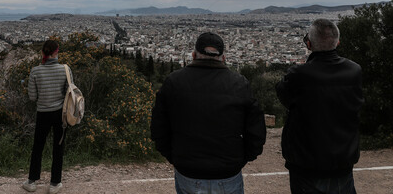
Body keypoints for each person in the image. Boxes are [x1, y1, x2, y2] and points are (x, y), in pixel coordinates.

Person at [151, 32, 266, 194]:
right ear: (223, 58)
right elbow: (256, 132)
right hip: (228, 173)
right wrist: (240, 160)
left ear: (193, 55)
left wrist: (175, 158)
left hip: (188, 171)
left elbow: (158, 128)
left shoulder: (173, 82)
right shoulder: (239, 84)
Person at [276, 19, 364, 194]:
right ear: (338, 42)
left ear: (309, 44)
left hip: (306, 164)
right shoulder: (354, 71)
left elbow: (283, 94)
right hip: (342, 162)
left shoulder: (299, 74)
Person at [22, 39, 72, 194]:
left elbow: (32, 96)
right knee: (58, 147)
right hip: (60, 114)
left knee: (38, 147)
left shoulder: (35, 71)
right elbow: (68, 93)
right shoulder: (65, 69)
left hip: (42, 113)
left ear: (43, 53)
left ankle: (31, 182)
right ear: (56, 52)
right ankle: (54, 184)